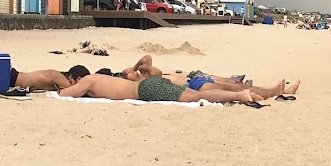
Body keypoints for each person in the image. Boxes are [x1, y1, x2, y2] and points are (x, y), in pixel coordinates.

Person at [118, 54, 298, 98]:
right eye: (129, 73)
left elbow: (146, 58)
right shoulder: (146, 80)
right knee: (235, 87)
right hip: (194, 87)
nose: (132, 71)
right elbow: (149, 65)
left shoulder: (141, 73)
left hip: (194, 80)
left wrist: (132, 68)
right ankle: (274, 92)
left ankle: (276, 91)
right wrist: (134, 71)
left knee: (236, 85)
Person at [57, 73, 264, 104]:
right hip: (148, 85)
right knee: (196, 94)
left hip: (145, 91)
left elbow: (66, 94)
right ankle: (240, 93)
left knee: (196, 97)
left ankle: (240, 94)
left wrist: (60, 88)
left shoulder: (88, 80)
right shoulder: (100, 78)